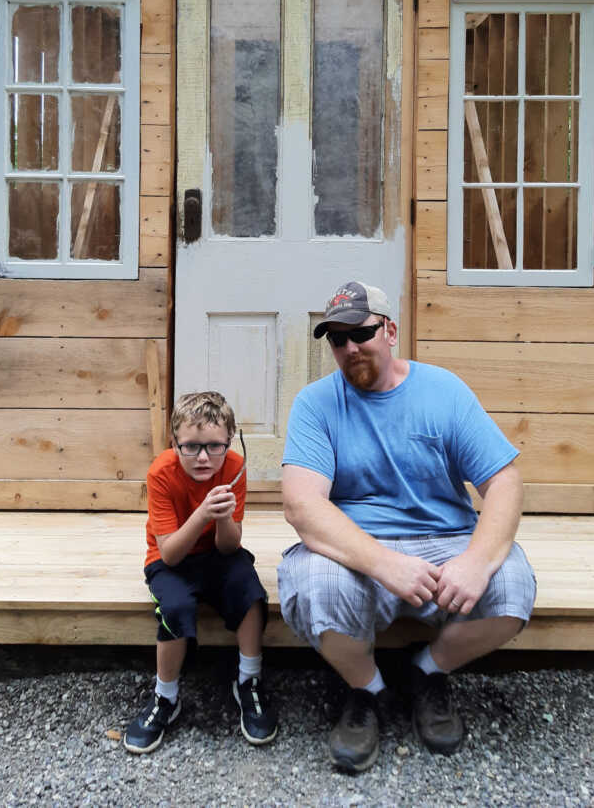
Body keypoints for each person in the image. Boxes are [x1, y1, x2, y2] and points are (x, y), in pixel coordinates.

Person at [278, 281, 535, 772]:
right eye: (337, 339)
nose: (349, 348)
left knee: (513, 586)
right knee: (315, 583)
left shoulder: (444, 391)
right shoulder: (315, 404)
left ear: (390, 330)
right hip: (359, 547)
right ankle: (366, 689)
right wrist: (384, 563)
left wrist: (477, 561)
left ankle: (427, 673)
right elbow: (302, 506)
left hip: (447, 541)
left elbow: (504, 482)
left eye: (362, 333)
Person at [124, 391, 278, 753]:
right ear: (175, 443)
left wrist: (223, 517)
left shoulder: (234, 467)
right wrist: (203, 514)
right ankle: (166, 696)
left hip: (216, 553)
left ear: (230, 439)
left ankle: (249, 681)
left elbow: (230, 547)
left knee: (251, 592)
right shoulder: (161, 472)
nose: (204, 457)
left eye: (214, 446)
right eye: (191, 447)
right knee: (175, 608)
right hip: (171, 557)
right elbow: (171, 554)